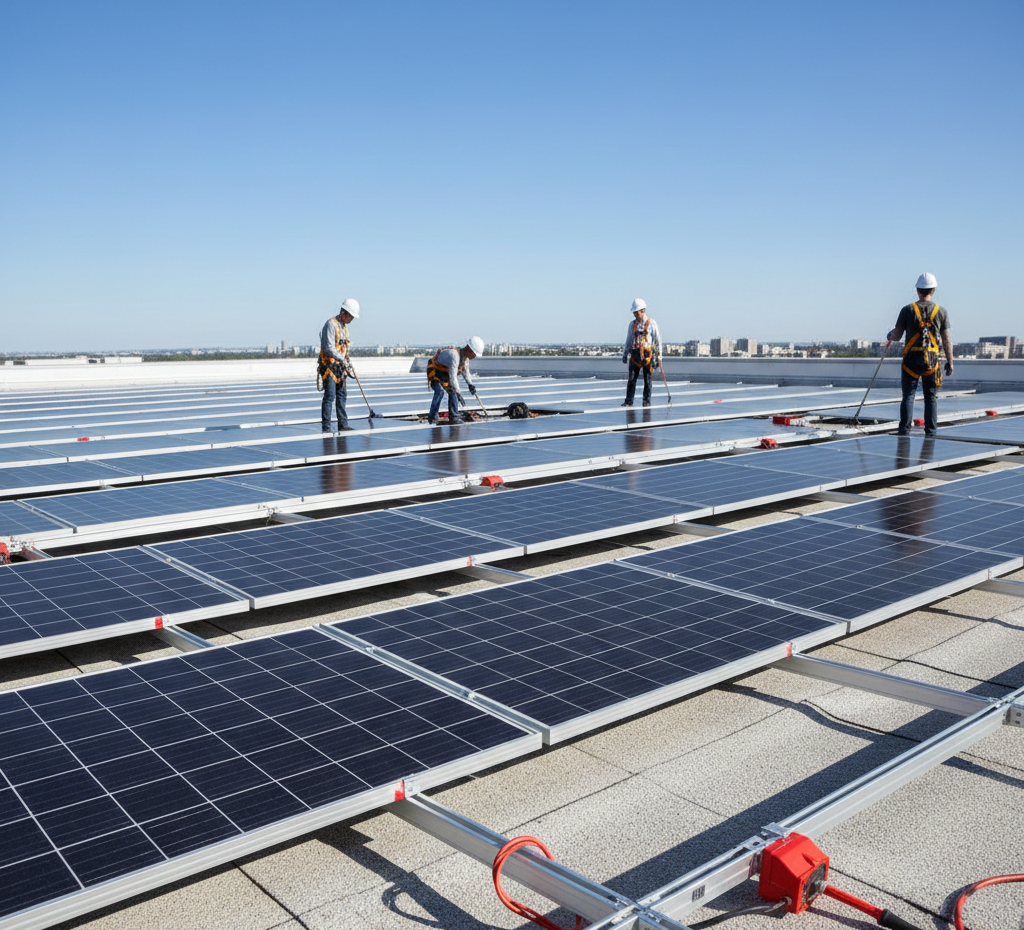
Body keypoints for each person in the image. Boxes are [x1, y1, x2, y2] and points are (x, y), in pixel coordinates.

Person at [886, 273, 953, 437]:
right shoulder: (941, 312)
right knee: (931, 398)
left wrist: (890, 335)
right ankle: (931, 431)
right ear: (933, 290)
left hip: (911, 362)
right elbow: (947, 340)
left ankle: (904, 430)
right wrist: (950, 362)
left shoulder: (907, 310)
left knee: (908, 396)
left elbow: (897, 336)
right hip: (932, 362)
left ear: (918, 290)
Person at [318, 298, 360, 432]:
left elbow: (343, 345)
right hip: (329, 367)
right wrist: (342, 357)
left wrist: (346, 357)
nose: (351, 320)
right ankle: (326, 427)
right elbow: (328, 348)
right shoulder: (331, 325)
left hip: (340, 367)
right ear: (344, 312)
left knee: (342, 396)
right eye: (350, 317)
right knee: (330, 396)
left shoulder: (344, 327)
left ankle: (343, 424)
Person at [427, 336, 484, 424]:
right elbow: (453, 377)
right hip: (435, 371)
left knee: (453, 392)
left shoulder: (465, 359)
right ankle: (432, 417)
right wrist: (459, 394)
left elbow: (466, 373)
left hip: (445, 374)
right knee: (440, 392)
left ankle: (454, 417)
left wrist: (470, 384)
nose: (474, 356)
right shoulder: (454, 355)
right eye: (474, 354)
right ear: (469, 350)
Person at [621, 298, 662, 406]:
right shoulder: (632, 324)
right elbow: (628, 340)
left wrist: (659, 356)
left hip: (648, 356)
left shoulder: (651, 323)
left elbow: (657, 340)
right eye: (634, 312)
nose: (635, 314)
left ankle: (646, 401)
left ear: (643, 311)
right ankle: (629, 401)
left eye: (636, 312)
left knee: (647, 379)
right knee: (631, 379)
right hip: (635, 355)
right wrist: (625, 354)